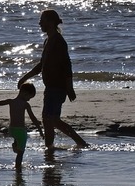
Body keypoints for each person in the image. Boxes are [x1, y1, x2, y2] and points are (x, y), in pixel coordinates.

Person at [18, 9, 90, 151]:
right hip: (50, 87)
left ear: (50, 22)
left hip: (58, 87)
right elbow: (41, 65)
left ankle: (80, 142)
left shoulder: (59, 41)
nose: (39, 23)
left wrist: (69, 87)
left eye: (42, 20)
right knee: (48, 119)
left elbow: (67, 65)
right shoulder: (48, 40)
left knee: (52, 119)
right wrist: (25, 77)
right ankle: (49, 147)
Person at [0, 82, 43, 165]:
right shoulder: (25, 104)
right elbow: (33, 118)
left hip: (11, 129)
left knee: (18, 144)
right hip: (20, 131)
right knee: (20, 153)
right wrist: (40, 130)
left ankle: (15, 145)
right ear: (25, 93)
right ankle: (18, 171)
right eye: (29, 97)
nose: (29, 100)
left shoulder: (11, 101)